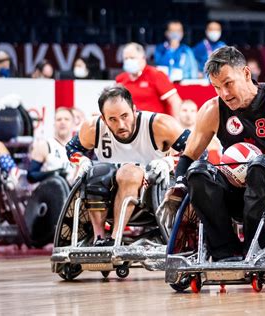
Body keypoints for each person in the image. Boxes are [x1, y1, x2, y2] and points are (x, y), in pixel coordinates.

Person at [165, 46, 265, 261]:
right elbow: (189, 156)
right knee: (198, 172)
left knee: (260, 165)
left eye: (228, 84)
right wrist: (177, 185)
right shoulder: (213, 109)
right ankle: (225, 252)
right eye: (216, 87)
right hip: (236, 191)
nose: (224, 93)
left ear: (246, 74)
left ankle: (254, 248)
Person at [65, 85, 189, 246]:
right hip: (107, 193)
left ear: (134, 110)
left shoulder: (159, 124)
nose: (121, 124)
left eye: (125, 116)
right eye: (113, 119)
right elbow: (71, 148)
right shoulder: (93, 127)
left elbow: (198, 150)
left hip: (153, 195)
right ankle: (100, 239)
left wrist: (170, 161)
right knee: (96, 171)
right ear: (103, 119)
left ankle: (115, 239)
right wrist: (81, 161)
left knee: (128, 172)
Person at [116, 42, 182, 116]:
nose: (128, 61)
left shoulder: (156, 75)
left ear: (143, 58)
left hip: (154, 123)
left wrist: (175, 124)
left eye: (132, 58)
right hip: (131, 124)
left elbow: (175, 101)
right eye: (126, 58)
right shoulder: (120, 79)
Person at [27, 108, 77, 186]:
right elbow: (31, 176)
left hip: (74, 195)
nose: (62, 122)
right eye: (59, 119)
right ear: (54, 124)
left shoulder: (80, 148)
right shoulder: (45, 145)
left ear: (73, 124)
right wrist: (55, 173)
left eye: (66, 119)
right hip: (51, 193)